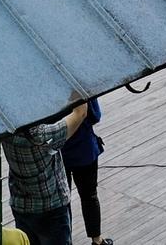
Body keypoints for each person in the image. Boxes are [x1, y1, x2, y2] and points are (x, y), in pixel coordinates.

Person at [1, 102, 89, 245]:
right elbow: (81, 112)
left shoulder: (6, 131)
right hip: (51, 207)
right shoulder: (42, 135)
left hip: (21, 204)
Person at [60, 99, 113, 245]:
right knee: (89, 196)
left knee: (62, 202)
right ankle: (97, 240)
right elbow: (95, 116)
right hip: (84, 149)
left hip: (59, 153)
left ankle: (65, 240)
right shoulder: (81, 88)